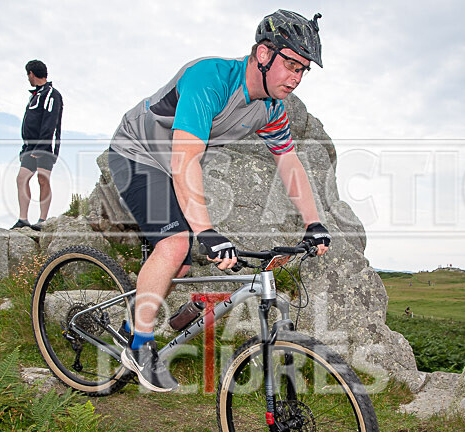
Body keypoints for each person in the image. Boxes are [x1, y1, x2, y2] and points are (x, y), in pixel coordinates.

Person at [107, 10, 331, 392]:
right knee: (175, 243)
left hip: (172, 163)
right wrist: (206, 230)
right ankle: (139, 346)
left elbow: (289, 163)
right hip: (137, 153)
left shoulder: (271, 109)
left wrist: (314, 222)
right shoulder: (210, 78)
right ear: (264, 54)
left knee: (177, 265)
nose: (296, 77)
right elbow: (185, 160)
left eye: (303, 70)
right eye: (291, 64)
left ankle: (131, 325)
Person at [12, 59, 63, 231]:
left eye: (28, 75)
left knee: (43, 179)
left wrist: (42, 146)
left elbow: (51, 121)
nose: (28, 78)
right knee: (21, 178)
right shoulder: (34, 95)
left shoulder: (52, 94)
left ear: (31, 74)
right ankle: (23, 219)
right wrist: (25, 148)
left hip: (45, 146)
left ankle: (42, 220)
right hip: (29, 147)